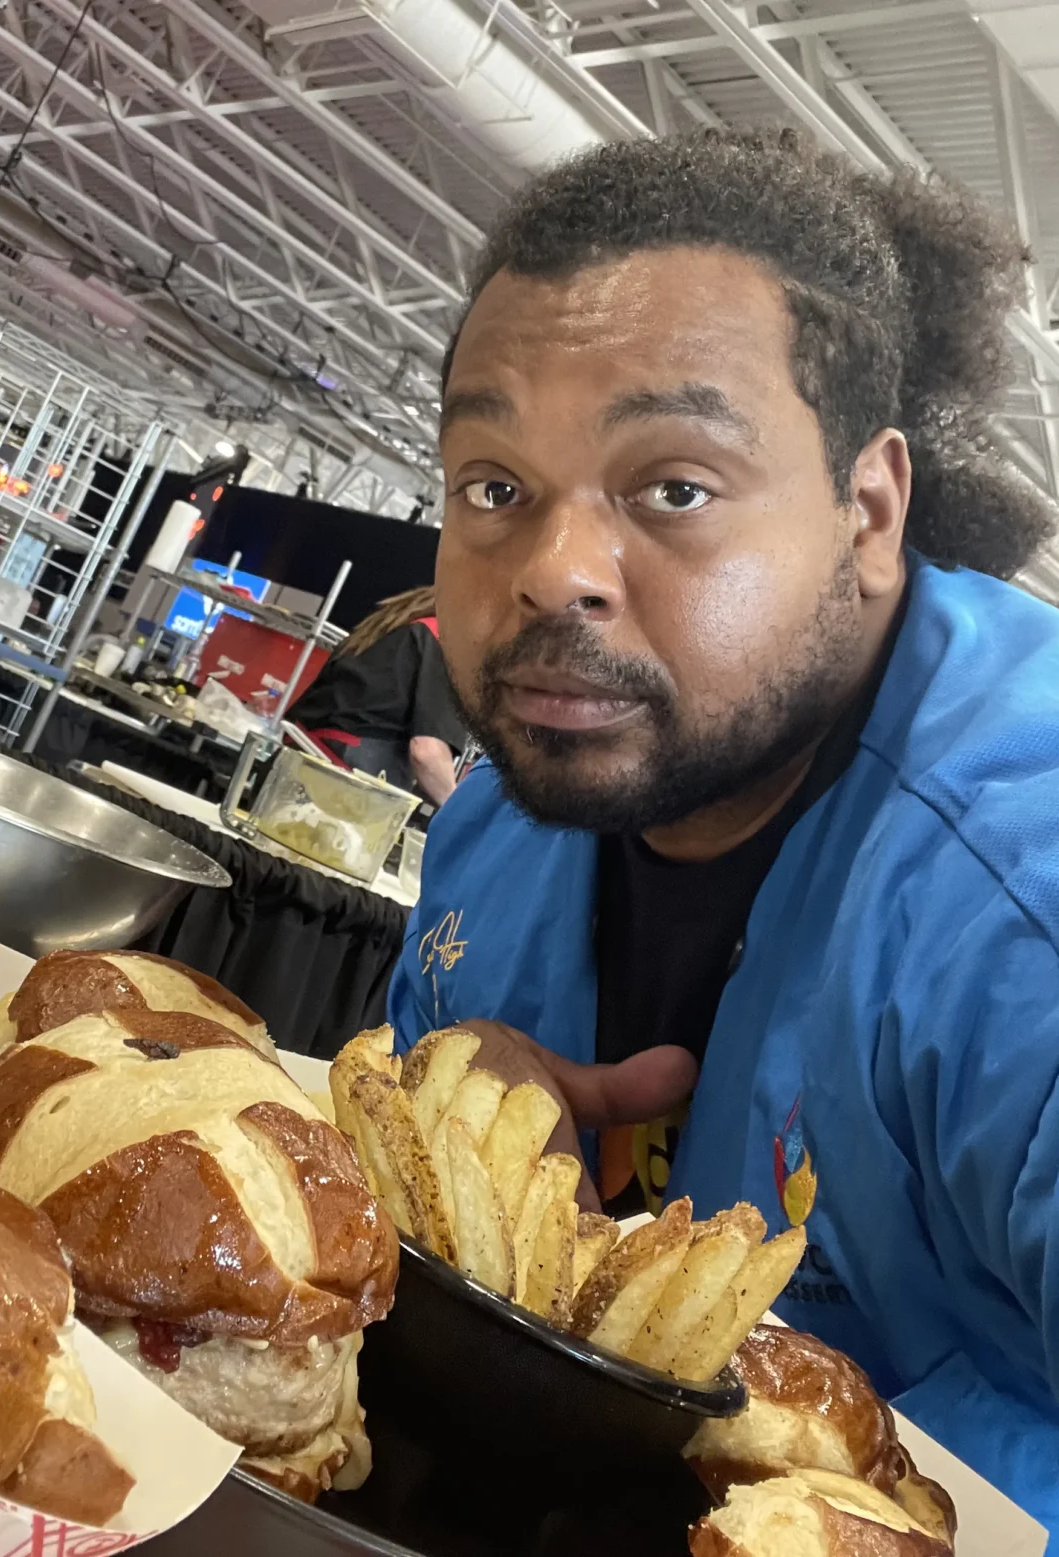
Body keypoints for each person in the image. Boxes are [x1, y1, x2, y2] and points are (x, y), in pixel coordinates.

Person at [388, 129, 1059, 1534]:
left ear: (867, 511)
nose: (553, 575)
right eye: (493, 487)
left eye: (673, 488)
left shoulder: (1019, 915)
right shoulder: (497, 833)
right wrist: (444, 1140)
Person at [289, 585, 467, 805]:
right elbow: (427, 753)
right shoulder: (445, 641)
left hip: (296, 758)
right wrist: (457, 811)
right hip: (341, 783)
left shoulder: (392, 623)